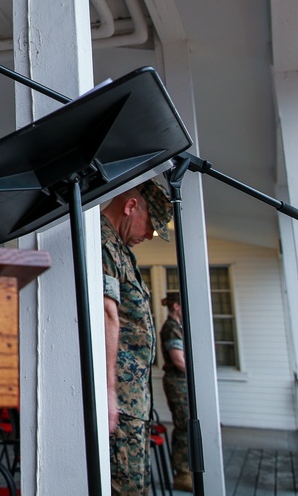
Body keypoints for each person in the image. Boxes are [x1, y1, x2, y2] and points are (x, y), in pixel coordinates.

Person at [102, 179, 172, 496]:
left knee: (136, 485)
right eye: (150, 226)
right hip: (122, 398)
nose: (148, 235)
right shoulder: (104, 244)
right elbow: (107, 315)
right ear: (130, 206)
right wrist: (109, 392)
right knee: (124, 487)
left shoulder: (120, 248)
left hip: (135, 398)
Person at [160, 292, 192, 491]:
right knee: (184, 426)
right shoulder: (171, 328)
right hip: (177, 383)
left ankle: (186, 470)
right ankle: (182, 473)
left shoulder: (178, 327)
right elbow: (178, 360)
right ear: (177, 306)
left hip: (182, 382)